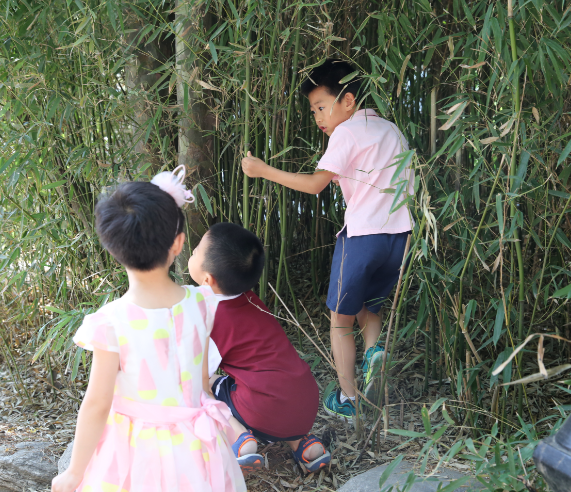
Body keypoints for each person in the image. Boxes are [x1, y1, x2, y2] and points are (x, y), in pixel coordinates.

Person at [51, 166, 246, 492]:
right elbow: (201, 385)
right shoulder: (202, 303)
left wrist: (74, 472)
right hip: (198, 449)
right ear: (179, 243)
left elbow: (97, 403)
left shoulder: (111, 322)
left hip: (137, 452)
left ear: (111, 246)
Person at [241, 59, 413, 421]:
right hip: (401, 237)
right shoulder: (390, 129)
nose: (317, 117)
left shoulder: (346, 133)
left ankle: (348, 399)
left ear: (347, 101)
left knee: (340, 319)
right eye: (313, 110)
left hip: (362, 237)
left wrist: (263, 170)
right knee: (369, 307)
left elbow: (315, 184)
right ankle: (374, 355)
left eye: (321, 107)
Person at [188, 222, 331, 474]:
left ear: (207, 280)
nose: (192, 251)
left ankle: (239, 437)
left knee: (203, 386)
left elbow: (198, 377)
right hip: (307, 402)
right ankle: (305, 445)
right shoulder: (251, 300)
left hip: (262, 409)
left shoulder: (210, 317)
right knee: (271, 389)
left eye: (196, 250)